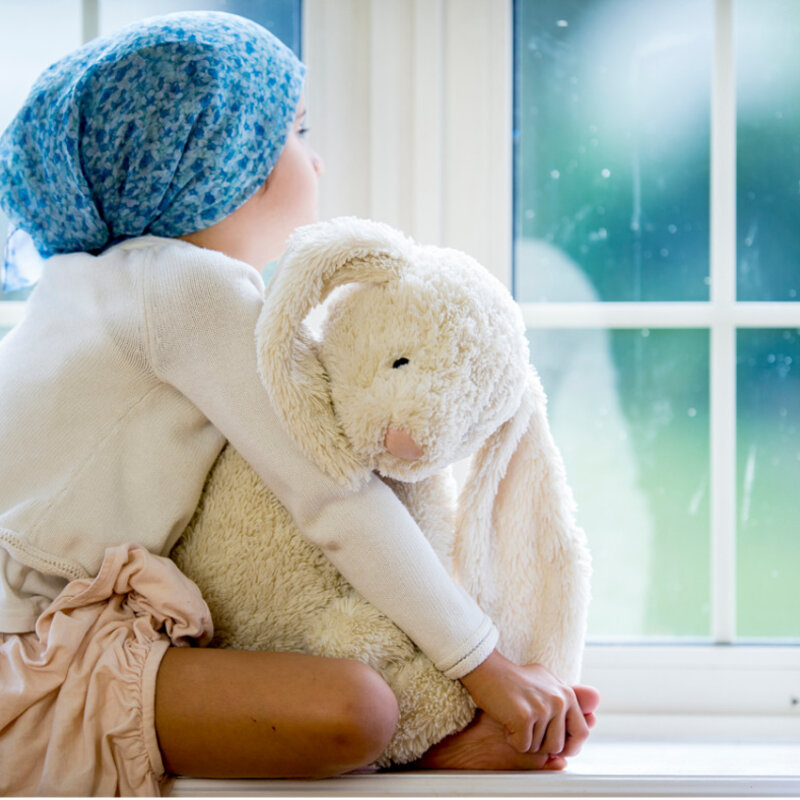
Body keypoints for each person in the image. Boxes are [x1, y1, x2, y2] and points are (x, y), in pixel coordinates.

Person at [0, 11, 599, 795]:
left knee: (347, 697)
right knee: (356, 708)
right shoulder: (184, 288)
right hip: (33, 649)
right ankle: (431, 741)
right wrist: (485, 666)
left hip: (56, 630)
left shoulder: (91, 283)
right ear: (220, 162)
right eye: (297, 132)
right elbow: (329, 489)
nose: (317, 159)